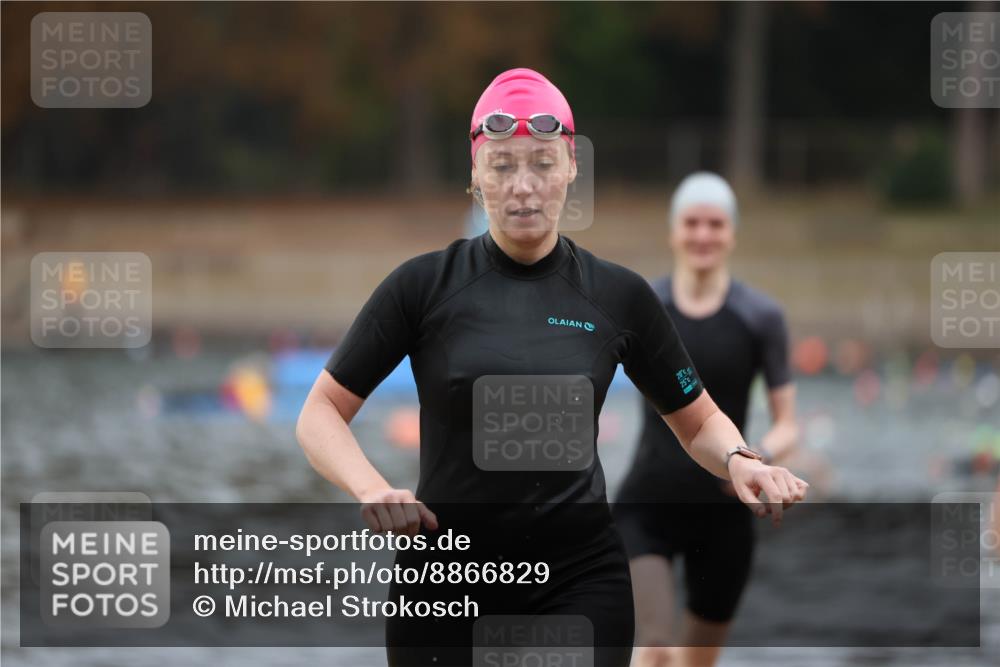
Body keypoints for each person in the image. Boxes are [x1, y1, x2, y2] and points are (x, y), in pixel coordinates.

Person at [296, 70, 808, 667]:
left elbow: (696, 424)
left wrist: (742, 458)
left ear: (570, 169)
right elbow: (320, 412)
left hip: (578, 581)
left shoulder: (618, 297)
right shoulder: (421, 287)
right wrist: (372, 487)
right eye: (502, 165)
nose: (522, 187)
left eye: (541, 164)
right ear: (474, 176)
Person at [614, 172, 800, 667]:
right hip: (646, 505)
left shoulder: (760, 316)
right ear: (674, 231)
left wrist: (760, 460)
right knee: (653, 650)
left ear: (732, 233)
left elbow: (788, 423)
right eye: (691, 223)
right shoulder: (644, 307)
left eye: (715, 224)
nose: (702, 235)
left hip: (725, 510)